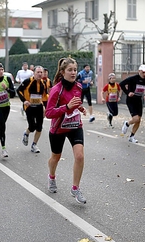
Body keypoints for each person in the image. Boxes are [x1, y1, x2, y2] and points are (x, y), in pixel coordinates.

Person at [45, 57, 87, 204]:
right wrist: (67, 107)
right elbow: (49, 113)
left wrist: (80, 108)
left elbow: (75, 103)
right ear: (63, 72)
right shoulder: (56, 89)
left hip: (75, 126)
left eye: (75, 69)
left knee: (80, 156)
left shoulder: (79, 87)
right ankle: (51, 176)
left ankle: (75, 188)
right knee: (55, 157)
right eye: (70, 70)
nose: (73, 72)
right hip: (58, 129)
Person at [17, 66, 47, 153]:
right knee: (32, 126)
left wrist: (44, 107)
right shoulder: (28, 81)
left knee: (39, 127)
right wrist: (24, 100)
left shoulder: (43, 83)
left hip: (39, 106)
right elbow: (19, 91)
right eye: (38, 72)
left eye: (41, 72)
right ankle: (26, 133)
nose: (40, 74)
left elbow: (44, 96)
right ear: (34, 73)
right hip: (29, 107)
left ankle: (34, 144)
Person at [120, 64, 145, 143]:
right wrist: (128, 92)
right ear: (139, 71)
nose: (144, 74)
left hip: (139, 100)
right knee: (136, 118)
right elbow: (121, 84)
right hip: (131, 100)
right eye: (143, 72)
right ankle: (127, 123)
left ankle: (132, 136)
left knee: (138, 120)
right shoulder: (132, 79)